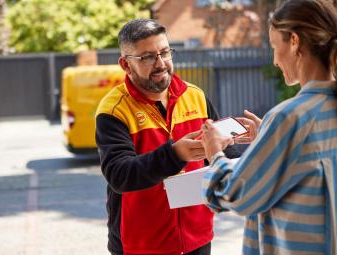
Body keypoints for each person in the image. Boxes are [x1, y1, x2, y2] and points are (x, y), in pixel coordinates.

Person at [201, 0, 337, 254]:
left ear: (294, 41)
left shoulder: (290, 118)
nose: (274, 60)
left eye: (274, 46)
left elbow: (237, 195)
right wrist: (267, 139)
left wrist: (214, 152)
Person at [95, 19, 240, 255]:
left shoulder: (196, 96)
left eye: (165, 53)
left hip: (198, 237)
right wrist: (175, 155)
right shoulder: (113, 109)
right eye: (148, 57)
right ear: (126, 64)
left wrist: (237, 147)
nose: (161, 63)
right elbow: (119, 175)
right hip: (140, 244)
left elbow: (224, 152)